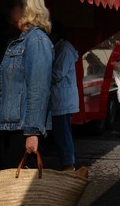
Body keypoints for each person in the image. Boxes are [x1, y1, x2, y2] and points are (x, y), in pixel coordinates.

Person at [0, 0, 54, 165]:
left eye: (12, 5)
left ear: (27, 8)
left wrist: (32, 133)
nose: (8, 10)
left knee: (20, 187)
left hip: (22, 131)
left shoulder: (36, 41)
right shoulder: (18, 40)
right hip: (10, 127)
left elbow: (39, 89)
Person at [49, 21, 79, 171]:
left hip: (62, 100)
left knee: (63, 134)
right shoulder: (59, 47)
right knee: (61, 133)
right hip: (60, 99)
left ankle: (68, 165)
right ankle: (66, 162)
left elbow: (57, 74)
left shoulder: (64, 49)